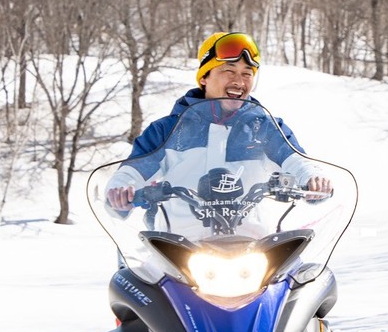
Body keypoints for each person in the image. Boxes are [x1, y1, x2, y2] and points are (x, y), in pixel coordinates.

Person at [107, 31, 330, 212]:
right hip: (177, 248)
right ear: (204, 77)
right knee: (132, 270)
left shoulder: (264, 127)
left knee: (311, 269)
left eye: (246, 74)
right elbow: (132, 172)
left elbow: (296, 160)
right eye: (228, 71)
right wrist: (121, 189)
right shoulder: (167, 131)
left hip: (255, 247)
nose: (239, 81)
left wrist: (312, 178)